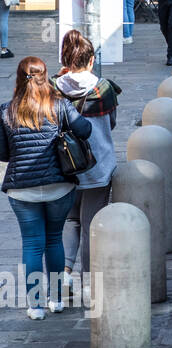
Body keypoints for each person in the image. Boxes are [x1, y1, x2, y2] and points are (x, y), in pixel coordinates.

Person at [0, 57, 91, 319]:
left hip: (22, 189)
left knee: (31, 244)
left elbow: (3, 153)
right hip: (58, 187)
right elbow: (84, 130)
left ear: (18, 79)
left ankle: (35, 306)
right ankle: (57, 300)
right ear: (45, 77)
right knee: (54, 239)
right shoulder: (60, 106)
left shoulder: (6, 111)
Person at [57, 31, 119, 291]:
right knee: (92, 224)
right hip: (97, 166)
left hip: (64, 166)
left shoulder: (53, 88)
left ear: (65, 59)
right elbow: (112, 124)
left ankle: (65, 273)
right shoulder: (103, 88)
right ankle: (89, 282)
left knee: (71, 220)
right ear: (91, 60)